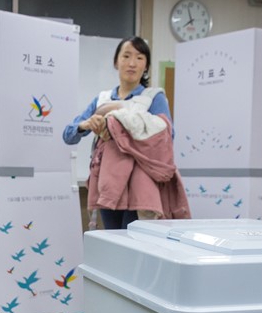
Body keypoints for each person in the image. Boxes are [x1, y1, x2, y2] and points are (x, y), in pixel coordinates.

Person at [63, 36, 187, 229]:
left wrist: (122, 123)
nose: (132, 63)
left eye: (139, 58)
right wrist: (85, 125)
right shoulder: (103, 100)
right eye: (126, 56)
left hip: (140, 182)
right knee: (112, 237)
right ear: (116, 62)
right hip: (108, 179)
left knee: (133, 238)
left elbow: (166, 138)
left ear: (146, 66)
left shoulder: (153, 97)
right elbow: (68, 135)